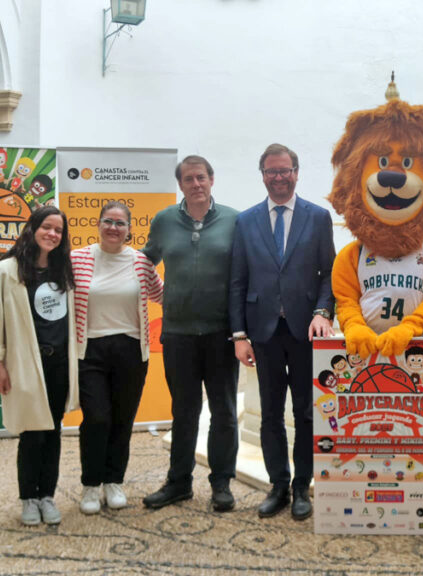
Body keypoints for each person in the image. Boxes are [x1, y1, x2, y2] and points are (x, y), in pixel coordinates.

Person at [230, 143, 336, 521]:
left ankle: (302, 487)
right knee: (270, 414)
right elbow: (238, 282)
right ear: (263, 175)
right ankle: (278, 485)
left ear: (296, 172)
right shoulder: (245, 221)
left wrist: (323, 312)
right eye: (272, 171)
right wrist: (239, 335)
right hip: (263, 331)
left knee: (306, 413)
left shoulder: (318, 216)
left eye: (285, 170)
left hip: (306, 331)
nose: (279, 177)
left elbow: (330, 274)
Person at [141, 156, 240, 512]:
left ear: (212, 180)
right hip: (178, 334)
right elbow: (143, 262)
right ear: (180, 184)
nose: (196, 184)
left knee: (224, 411)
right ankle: (179, 482)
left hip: (221, 333)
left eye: (201, 177)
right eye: (188, 179)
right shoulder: (165, 220)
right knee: (184, 411)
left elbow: (245, 272)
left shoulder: (234, 220)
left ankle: (221, 483)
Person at [0, 206, 79, 526]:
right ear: (33, 228)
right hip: (25, 362)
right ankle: (28, 498)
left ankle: (47, 496)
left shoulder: (64, 270)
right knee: (31, 431)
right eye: (46, 227)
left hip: (59, 364)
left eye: (58, 230)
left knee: (53, 430)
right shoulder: (6, 271)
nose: (52, 234)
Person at [71, 201, 163, 514]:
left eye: (120, 223)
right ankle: (90, 485)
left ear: (129, 229)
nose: (114, 228)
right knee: (97, 419)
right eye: (108, 221)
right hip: (90, 350)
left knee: (123, 420)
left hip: (131, 350)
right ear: (98, 224)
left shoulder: (140, 262)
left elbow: (162, 295)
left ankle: (114, 481)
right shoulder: (77, 259)